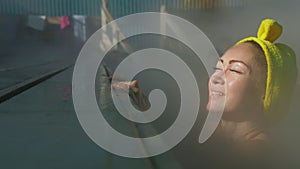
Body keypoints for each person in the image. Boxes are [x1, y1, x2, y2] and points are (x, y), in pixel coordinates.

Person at [110, 18, 298, 167]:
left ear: (264, 94)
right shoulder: (210, 135)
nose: (216, 78)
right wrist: (143, 108)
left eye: (235, 71)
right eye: (217, 68)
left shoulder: (257, 153)